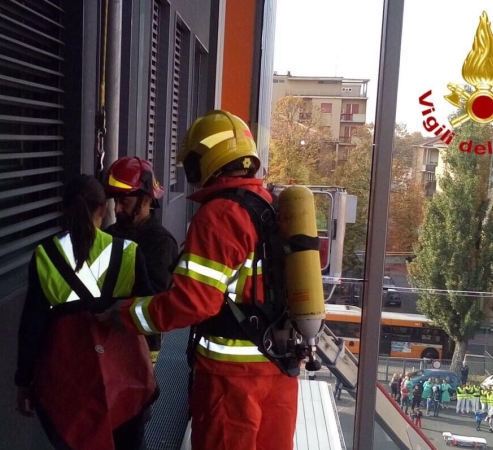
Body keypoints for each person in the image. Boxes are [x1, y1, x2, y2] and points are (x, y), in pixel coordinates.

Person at [98, 110, 298, 450]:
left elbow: (192, 302)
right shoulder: (268, 205)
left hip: (231, 382)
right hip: (277, 370)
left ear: (205, 159)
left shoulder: (220, 215)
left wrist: (122, 315)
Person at [15, 174, 157, 450]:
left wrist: (23, 381)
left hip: (68, 386)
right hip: (125, 381)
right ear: (103, 209)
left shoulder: (45, 255)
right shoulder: (128, 252)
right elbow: (150, 313)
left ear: (64, 210)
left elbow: (32, 327)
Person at [102, 156, 179, 366]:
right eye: (115, 201)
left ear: (145, 201)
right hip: (106, 339)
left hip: (139, 346)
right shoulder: (110, 234)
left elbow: (154, 301)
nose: (116, 209)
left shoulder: (160, 243)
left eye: (124, 202)